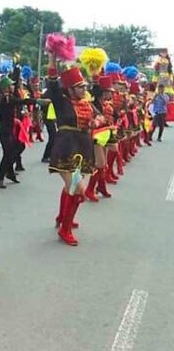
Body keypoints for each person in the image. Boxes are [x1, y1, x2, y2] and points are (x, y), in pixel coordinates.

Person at [46, 53, 98, 246]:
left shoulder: (87, 103)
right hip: (66, 147)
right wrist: (52, 57)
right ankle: (64, 229)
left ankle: (62, 217)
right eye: (80, 87)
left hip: (83, 147)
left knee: (71, 187)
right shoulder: (62, 102)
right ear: (70, 89)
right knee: (77, 190)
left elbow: (99, 117)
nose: (84, 89)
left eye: (85, 86)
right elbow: (52, 83)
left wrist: (96, 121)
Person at [0, 70, 22, 188]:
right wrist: (37, 101)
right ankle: (0, 179)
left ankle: (10, 173)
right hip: (3, 130)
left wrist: (16, 71)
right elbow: (20, 101)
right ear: (6, 87)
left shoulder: (9, 97)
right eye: (11, 85)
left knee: (18, 147)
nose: (13, 86)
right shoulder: (4, 99)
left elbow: (19, 100)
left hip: (9, 129)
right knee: (8, 154)